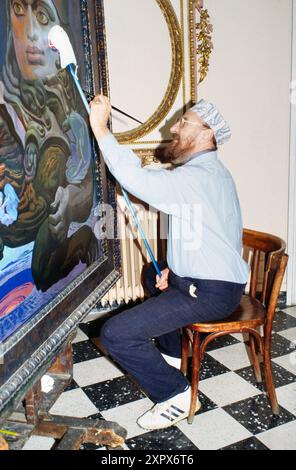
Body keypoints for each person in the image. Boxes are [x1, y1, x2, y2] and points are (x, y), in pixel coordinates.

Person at [89, 94, 250, 430]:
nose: (173, 127)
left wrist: (101, 129)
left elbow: (139, 181)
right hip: (210, 281)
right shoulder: (210, 172)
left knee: (116, 334)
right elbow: (202, 232)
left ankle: (175, 394)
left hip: (211, 292)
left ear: (207, 134)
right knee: (152, 274)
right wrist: (174, 273)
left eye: (184, 122)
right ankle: (173, 357)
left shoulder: (198, 177)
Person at [0, 0, 97, 292]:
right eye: (18, 10)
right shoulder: (5, 101)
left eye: (42, 15)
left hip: (44, 227)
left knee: (42, 272)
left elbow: (88, 188)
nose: (30, 32)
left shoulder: (70, 107)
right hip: (16, 228)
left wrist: (69, 204)